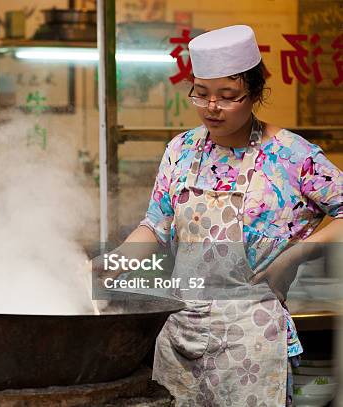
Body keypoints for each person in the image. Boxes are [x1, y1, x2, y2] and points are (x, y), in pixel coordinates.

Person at [94, 25, 342, 406]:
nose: (212, 107)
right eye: (201, 93)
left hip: (251, 340)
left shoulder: (292, 156)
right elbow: (155, 227)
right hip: (179, 330)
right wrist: (112, 264)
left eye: (228, 96)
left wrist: (299, 253)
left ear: (255, 94)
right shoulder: (181, 149)